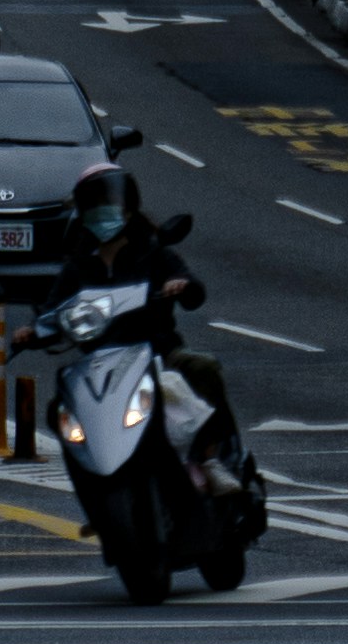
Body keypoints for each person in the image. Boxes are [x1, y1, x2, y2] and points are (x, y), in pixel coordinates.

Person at [56, 156, 249, 489]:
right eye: (96, 205)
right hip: (101, 366)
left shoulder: (153, 252)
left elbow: (191, 288)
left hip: (158, 354)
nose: (104, 213)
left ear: (129, 208)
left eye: (111, 203)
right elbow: (54, 307)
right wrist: (34, 329)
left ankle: (212, 456)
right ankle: (93, 477)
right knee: (62, 404)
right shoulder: (78, 265)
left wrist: (180, 285)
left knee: (201, 368)